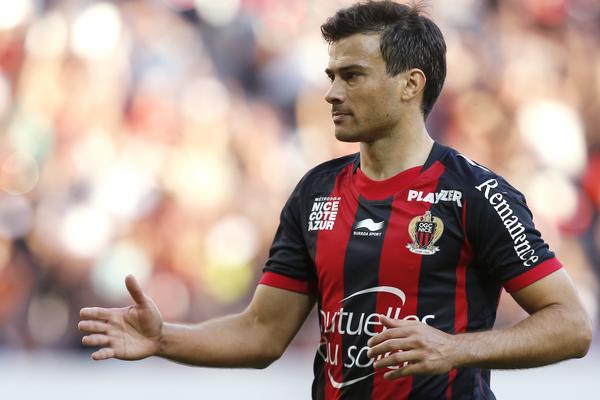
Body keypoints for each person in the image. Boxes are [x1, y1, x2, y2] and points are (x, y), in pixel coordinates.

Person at [78, 1, 592, 399]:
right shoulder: (316, 192)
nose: (331, 93)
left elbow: (571, 325)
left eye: (352, 75)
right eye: (331, 76)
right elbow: (262, 332)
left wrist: (455, 349)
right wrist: (163, 339)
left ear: (410, 85)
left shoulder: (475, 193)